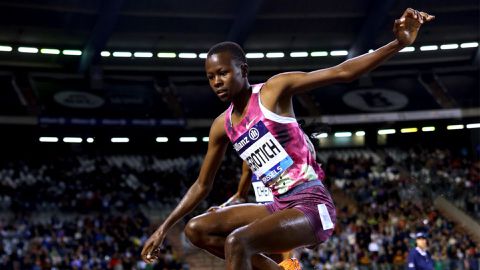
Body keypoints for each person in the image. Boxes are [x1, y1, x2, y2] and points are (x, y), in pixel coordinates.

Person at [141, 8, 434, 270]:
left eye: (223, 73)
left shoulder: (273, 91)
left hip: (311, 205)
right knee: (196, 229)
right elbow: (202, 184)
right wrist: (164, 228)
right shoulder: (221, 126)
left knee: (236, 243)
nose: (216, 82)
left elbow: (342, 72)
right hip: (276, 205)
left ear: (242, 70)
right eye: (210, 77)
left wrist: (398, 43)